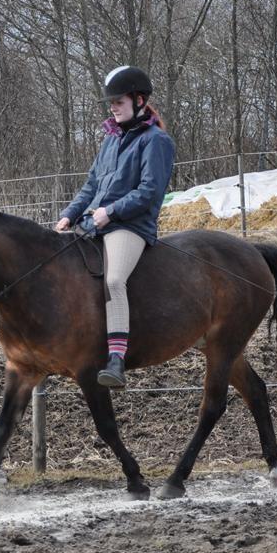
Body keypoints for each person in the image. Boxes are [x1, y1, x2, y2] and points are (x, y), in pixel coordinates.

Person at [55, 65, 175, 389]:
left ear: (138, 99)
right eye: (110, 102)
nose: (113, 107)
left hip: (131, 227)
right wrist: (68, 215)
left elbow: (150, 191)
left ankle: (116, 360)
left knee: (114, 279)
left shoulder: (156, 141)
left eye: (118, 101)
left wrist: (110, 211)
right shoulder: (111, 139)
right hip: (96, 221)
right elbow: (91, 185)